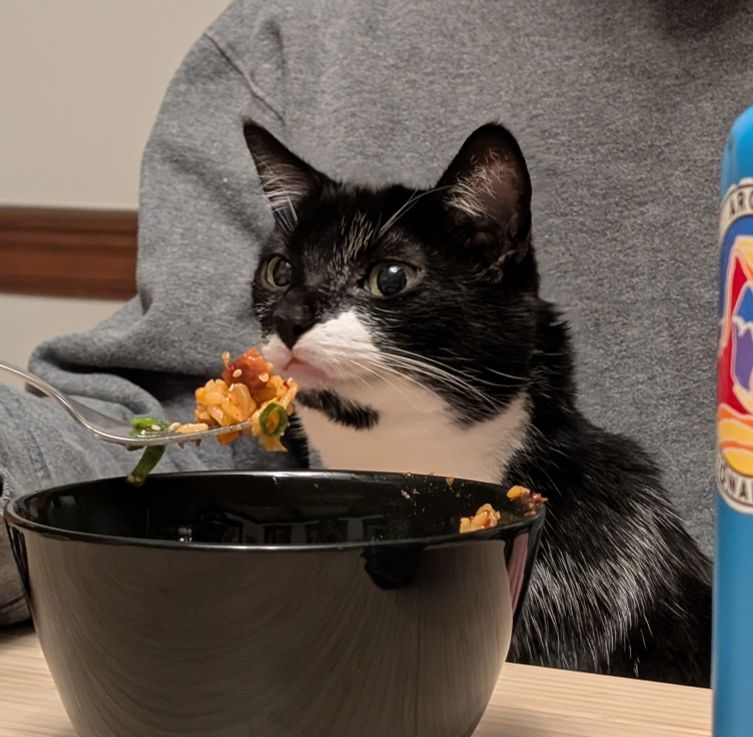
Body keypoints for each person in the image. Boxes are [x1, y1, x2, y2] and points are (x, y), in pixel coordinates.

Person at [0, 0, 742, 625]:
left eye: (386, 280)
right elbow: (161, 423)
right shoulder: (295, 33)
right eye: (282, 273)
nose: (290, 313)